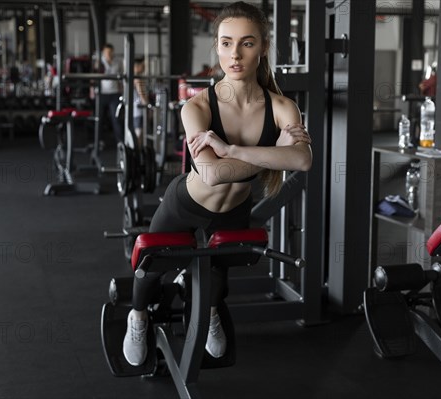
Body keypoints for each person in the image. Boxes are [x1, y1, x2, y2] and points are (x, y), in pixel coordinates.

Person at [123, 1, 313, 367]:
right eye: (226, 43)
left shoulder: (283, 107)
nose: (235, 54)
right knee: (149, 267)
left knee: (217, 283)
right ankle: (138, 317)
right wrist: (272, 151)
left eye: (246, 43)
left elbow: (302, 160)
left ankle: (208, 313)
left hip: (232, 212)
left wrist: (230, 149)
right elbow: (211, 173)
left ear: (263, 47)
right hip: (187, 202)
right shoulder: (197, 107)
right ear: (217, 47)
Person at [99, 43, 124, 143]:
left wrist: (121, 91)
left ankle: (120, 142)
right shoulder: (99, 62)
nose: (109, 54)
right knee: (99, 118)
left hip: (114, 94)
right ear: (103, 52)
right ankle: (99, 141)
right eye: (107, 52)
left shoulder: (117, 62)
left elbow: (121, 78)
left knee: (116, 118)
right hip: (102, 94)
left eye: (111, 52)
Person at [132, 57, 150, 143]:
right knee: (139, 133)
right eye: (142, 66)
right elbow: (142, 94)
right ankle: (137, 155)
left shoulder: (133, 77)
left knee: (138, 133)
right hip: (139, 109)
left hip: (135, 109)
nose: (144, 67)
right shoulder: (137, 79)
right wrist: (147, 105)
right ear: (137, 66)